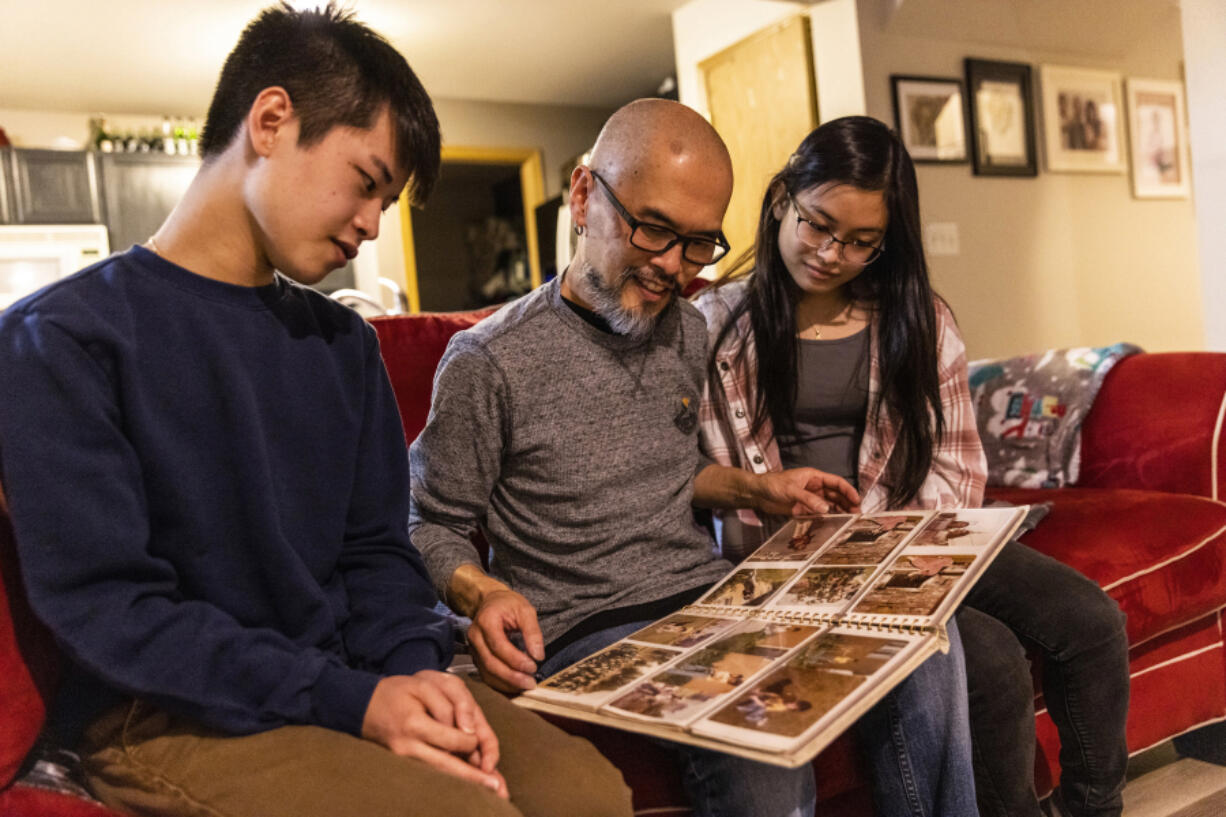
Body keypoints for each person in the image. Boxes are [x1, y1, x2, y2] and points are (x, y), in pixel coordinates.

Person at [0, 5, 632, 817]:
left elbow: (375, 556)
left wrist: (419, 675)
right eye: (367, 182)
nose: (371, 225)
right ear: (271, 120)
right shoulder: (57, 341)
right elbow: (114, 611)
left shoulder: (342, 344)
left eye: (387, 202)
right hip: (168, 710)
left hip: (342, 678)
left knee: (589, 794)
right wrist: (352, 700)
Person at [410, 98, 978, 817]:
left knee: (919, 634)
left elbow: (675, 470)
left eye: (699, 244)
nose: (673, 268)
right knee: (763, 744)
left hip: (712, 597)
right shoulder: (488, 360)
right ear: (584, 196)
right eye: (652, 230)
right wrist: (481, 592)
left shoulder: (684, 331)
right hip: (589, 622)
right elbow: (427, 519)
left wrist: (758, 487)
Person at [693, 115, 1130, 817]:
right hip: (796, 561)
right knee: (987, 662)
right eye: (818, 224)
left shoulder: (918, 319)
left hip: (916, 537)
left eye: (862, 242)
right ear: (782, 199)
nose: (833, 253)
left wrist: (903, 552)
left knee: (1090, 620)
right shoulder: (715, 325)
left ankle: (1091, 807)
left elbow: (957, 465)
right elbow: (702, 475)